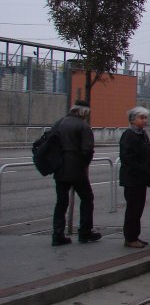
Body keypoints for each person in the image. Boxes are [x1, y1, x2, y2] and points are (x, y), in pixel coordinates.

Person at [52, 100, 101, 246]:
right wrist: (84, 164)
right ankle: (85, 231)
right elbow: (87, 150)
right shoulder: (83, 126)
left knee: (61, 202)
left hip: (60, 167)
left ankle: (57, 234)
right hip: (76, 168)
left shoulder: (60, 123)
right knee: (87, 198)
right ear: (84, 112)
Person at [119, 106, 150, 248]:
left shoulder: (142, 134)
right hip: (133, 179)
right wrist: (142, 170)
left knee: (138, 208)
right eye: (142, 118)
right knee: (133, 209)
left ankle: (134, 236)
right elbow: (128, 158)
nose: (145, 120)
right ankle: (130, 238)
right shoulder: (129, 135)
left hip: (140, 179)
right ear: (133, 120)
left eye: (145, 118)